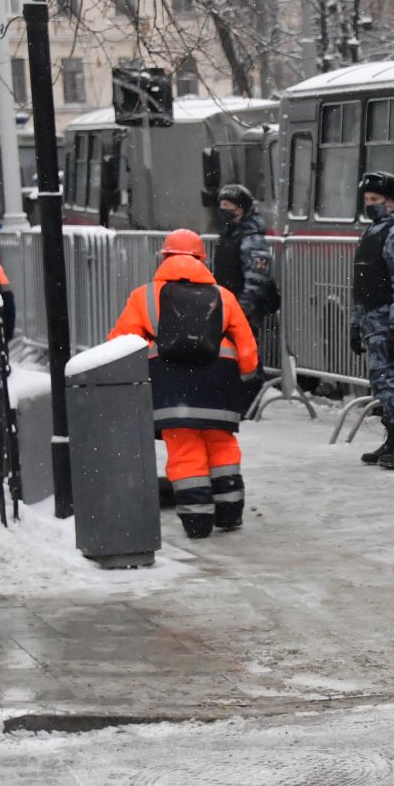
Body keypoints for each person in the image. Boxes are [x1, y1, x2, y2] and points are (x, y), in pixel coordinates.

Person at [110, 230, 260, 539]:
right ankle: (229, 512)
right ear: (202, 260)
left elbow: (122, 341)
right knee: (222, 445)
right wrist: (245, 375)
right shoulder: (224, 296)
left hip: (171, 385)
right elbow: (246, 346)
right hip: (218, 383)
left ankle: (197, 521)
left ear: (164, 257)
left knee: (185, 450)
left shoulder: (145, 296)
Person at [349, 171, 394, 470]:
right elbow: (361, 282)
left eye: (375, 200)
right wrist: (355, 324)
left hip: (385, 318)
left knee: (387, 379)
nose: (370, 205)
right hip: (371, 318)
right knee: (380, 380)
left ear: (391, 202)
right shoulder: (374, 231)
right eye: (367, 200)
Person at [213, 184, 278, 322]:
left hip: (249, 316)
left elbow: (257, 280)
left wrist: (242, 310)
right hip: (230, 310)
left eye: (227, 205)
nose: (222, 209)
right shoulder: (228, 236)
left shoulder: (252, 239)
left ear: (239, 209)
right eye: (221, 205)